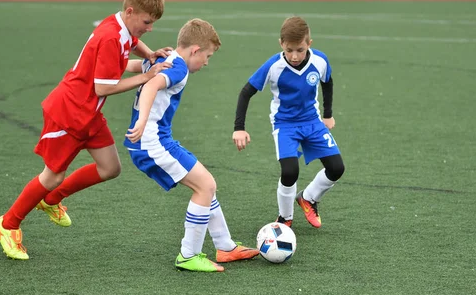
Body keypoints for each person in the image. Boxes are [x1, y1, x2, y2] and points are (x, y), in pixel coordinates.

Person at [0, 0, 172, 260]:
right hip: (69, 112)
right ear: (131, 11)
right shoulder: (111, 36)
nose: (150, 28)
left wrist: (149, 54)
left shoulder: (120, 27)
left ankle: (51, 200)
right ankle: (8, 223)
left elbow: (132, 44)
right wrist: (146, 75)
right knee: (53, 175)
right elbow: (103, 87)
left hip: (88, 113)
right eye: (147, 21)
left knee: (110, 167)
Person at [124, 18, 260, 273]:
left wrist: (115, 65)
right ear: (195, 50)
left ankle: (226, 247)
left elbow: (136, 66)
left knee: (206, 185)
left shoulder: (165, 58)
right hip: (151, 142)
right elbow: (152, 83)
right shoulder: (179, 68)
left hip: (157, 140)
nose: (206, 62)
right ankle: (189, 255)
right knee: (205, 185)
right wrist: (142, 120)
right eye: (207, 56)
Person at [232, 16, 345, 229]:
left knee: (337, 168)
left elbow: (327, 83)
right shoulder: (273, 66)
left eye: (300, 50)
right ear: (281, 44)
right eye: (289, 49)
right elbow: (246, 92)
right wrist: (239, 128)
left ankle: (309, 198)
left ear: (309, 44)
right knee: (290, 171)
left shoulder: (320, 61)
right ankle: (285, 218)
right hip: (285, 125)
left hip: (312, 121)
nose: (294, 56)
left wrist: (328, 114)